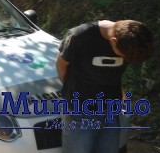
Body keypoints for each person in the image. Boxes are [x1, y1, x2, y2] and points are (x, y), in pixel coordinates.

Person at [56, 19, 153, 153]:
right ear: (113, 40)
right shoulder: (80, 36)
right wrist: (73, 90)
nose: (125, 59)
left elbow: (113, 74)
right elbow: (61, 64)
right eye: (123, 55)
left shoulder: (131, 43)